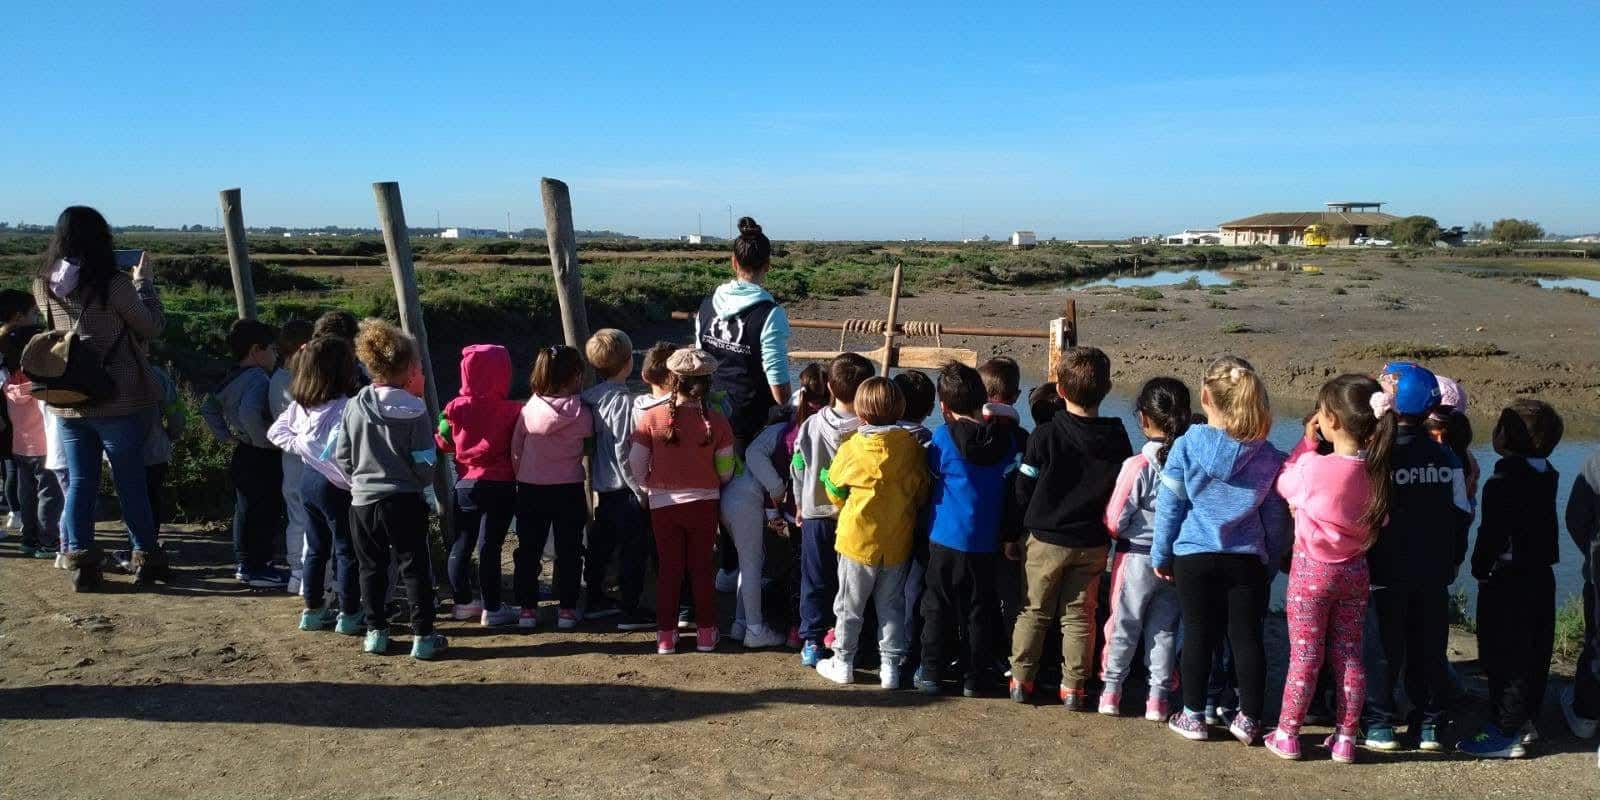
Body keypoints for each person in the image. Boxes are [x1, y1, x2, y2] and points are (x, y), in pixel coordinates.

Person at [1153, 355, 1290, 745]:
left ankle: (1193, 714)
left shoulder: (1185, 445)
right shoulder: (1268, 456)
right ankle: (1249, 719)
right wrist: (1270, 558)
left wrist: (1161, 554)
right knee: (1247, 638)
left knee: (1197, 634)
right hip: (1246, 558)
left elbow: (1171, 505)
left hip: (1193, 556)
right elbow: (1276, 519)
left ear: (1204, 397)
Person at [1264, 375, 1396, 763]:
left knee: (1305, 655)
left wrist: (1306, 444)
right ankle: (1345, 738)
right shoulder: (1376, 472)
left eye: (1322, 413)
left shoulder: (1313, 468)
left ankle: (1288, 732)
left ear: (1332, 421)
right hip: (1355, 571)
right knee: (1349, 655)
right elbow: (1381, 521)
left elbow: (1282, 483)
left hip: (1311, 573)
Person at [34, 207, 166, 590]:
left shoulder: (44, 283)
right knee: (130, 481)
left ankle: (82, 562)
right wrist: (145, 285)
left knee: (80, 481)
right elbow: (151, 326)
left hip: (69, 395)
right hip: (118, 396)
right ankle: (145, 556)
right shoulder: (115, 284)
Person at [1007, 346, 1132, 709]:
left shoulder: (1044, 435)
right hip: (1092, 541)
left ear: (1059, 390)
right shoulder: (1117, 437)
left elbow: (1023, 485)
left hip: (1044, 538)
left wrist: (1015, 530)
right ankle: (1074, 686)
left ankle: (1021, 678)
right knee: (1080, 615)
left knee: (1034, 610)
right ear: (1107, 389)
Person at [1360, 362, 1471, 753]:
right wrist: (1455, 557)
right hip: (1434, 573)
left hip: (1383, 573)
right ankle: (1429, 726)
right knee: (1429, 651)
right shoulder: (1447, 459)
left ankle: (1379, 724)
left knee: (1382, 651)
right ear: (1431, 408)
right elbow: (1462, 514)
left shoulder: (1374, 458)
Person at [334, 319, 446, 660]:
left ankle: (375, 632)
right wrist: (418, 479)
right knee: (414, 566)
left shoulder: (355, 405)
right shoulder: (415, 409)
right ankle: (423, 635)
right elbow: (426, 461)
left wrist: (359, 480)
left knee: (371, 567)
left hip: (363, 501)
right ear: (408, 367)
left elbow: (342, 455)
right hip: (404, 500)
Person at [1461, 399, 1565, 758]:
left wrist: (1478, 567)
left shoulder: (1503, 479)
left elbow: (1492, 532)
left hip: (1508, 578)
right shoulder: (1548, 472)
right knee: (1536, 651)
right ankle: (1526, 719)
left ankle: (1504, 730)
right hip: (1541, 576)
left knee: (1503, 653)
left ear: (1508, 438)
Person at [814, 377, 930, 688]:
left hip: (857, 541)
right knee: (891, 606)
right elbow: (920, 491)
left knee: (848, 605)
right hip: (897, 540)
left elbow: (835, 489)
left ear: (861, 414)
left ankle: (843, 660)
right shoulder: (911, 448)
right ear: (900, 408)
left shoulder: (853, 447)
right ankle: (890, 666)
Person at [697, 217, 791, 593]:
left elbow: (700, 359)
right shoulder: (769, 313)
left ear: (733, 263)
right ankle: (750, 568)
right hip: (749, 417)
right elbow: (776, 372)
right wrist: (786, 409)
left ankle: (726, 566)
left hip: (710, 410)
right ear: (767, 266)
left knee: (716, 487)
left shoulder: (707, 306)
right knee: (747, 493)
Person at [915, 362, 1020, 697]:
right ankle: (974, 677)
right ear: (982, 400)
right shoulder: (1005, 442)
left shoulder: (942, 439)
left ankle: (931, 670)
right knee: (979, 610)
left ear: (943, 407)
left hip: (945, 538)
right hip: (986, 542)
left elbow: (929, 477)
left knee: (937, 606)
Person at [629, 349, 737, 654]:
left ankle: (666, 635)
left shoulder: (651, 417)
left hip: (663, 504)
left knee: (669, 570)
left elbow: (636, 461)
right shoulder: (717, 421)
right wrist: (715, 483)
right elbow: (726, 469)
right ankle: (705, 633)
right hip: (704, 503)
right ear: (708, 382)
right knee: (702, 568)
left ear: (672, 378)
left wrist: (647, 486)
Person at [1099, 377, 1192, 721]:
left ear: (1143, 418)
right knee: (1165, 629)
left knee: (1123, 622)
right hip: (1174, 559)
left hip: (1135, 556)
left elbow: (1114, 518)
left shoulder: (1137, 466)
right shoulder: (1188, 464)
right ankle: (1158, 699)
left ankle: (1111, 692)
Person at [268, 335, 364, 635]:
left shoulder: (301, 404)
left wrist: (303, 447)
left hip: (308, 480)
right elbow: (341, 452)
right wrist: (349, 481)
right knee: (347, 550)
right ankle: (349, 613)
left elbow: (276, 433)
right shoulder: (347, 406)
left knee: (317, 548)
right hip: (337, 485)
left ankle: (312, 609)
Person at [790, 353, 875, 666]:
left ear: (829, 386)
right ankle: (845, 637)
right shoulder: (868, 431)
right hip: (854, 518)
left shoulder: (812, 424)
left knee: (814, 579)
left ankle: (811, 639)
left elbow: (798, 464)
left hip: (815, 513)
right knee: (850, 583)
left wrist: (799, 501)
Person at [434, 344, 524, 627]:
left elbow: (444, 441)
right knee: (490, 546)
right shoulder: (512, 410)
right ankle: (493, 607)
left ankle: (462, 603)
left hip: (465, 484)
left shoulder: (455, 408)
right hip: (500, 485)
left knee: (462, 543)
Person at [510, 345, 593, 630]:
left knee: (528, 549)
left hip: (532, 487)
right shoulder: (581, 413)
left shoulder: (529, 409)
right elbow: (588, 445)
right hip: (568, 487)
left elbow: (516, 448)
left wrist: (521, 473)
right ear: (576, 376)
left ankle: (527, 609)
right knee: (570, 549)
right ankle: (567, 609)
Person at [202, 318, 286, 589]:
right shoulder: (258, 378)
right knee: (264, 511)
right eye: (272, 349)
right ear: (255, 350)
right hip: (259, 454)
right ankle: (256, 566)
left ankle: (247, 562)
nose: (276, 354)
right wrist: (267, 441)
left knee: (246, 509)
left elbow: (208, 407)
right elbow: (251, 412)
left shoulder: (231, 376)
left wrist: (225, 436)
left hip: (243, 452)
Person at [581, 329, 648, 627]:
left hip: (601, 486)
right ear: (627, 363)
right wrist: (640, 489)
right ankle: (631, 607)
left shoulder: (589, 398)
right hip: (623, 488)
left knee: (600, 546)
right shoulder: (622, 401)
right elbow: (624, 448)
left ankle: (593, 598)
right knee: (634, 550)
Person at [718, 404, 791, 649]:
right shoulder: (782, 431)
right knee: (751, 565)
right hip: (746, 501)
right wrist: (779, 489)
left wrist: (771, 511)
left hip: (732, 498)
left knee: (748, 561)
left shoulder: (768, 431)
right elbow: (757, 462)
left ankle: (741, 623)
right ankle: (755, 629)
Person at [1, 323, 61, 560]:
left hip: (20, 446)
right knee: (48, 494)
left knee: (26, 494)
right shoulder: (41, 383)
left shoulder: (9, 381)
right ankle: (48, 541)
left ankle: (29, 539)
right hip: (44, 448)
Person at [269, 319, 314, 592]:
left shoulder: (277, 378)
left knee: (297, 515)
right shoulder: (303, 380)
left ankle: (297, 571)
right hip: (308, 455)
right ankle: (308, 572)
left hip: (289, 455)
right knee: (315, 518)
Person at [1563, 446, 1600, 755]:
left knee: (1597, 643)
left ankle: (1587, 714)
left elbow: (1576, 518)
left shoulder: (1595, 463)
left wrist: (1591, 554)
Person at [0, 289, 39, 536]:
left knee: (10, 465)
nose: (37, 317)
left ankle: (16, 512)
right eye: (33, 312)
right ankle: (18, 512)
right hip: (8, 413)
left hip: (7, 412)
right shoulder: (14, 341)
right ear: (17, 316)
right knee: (14, 464)